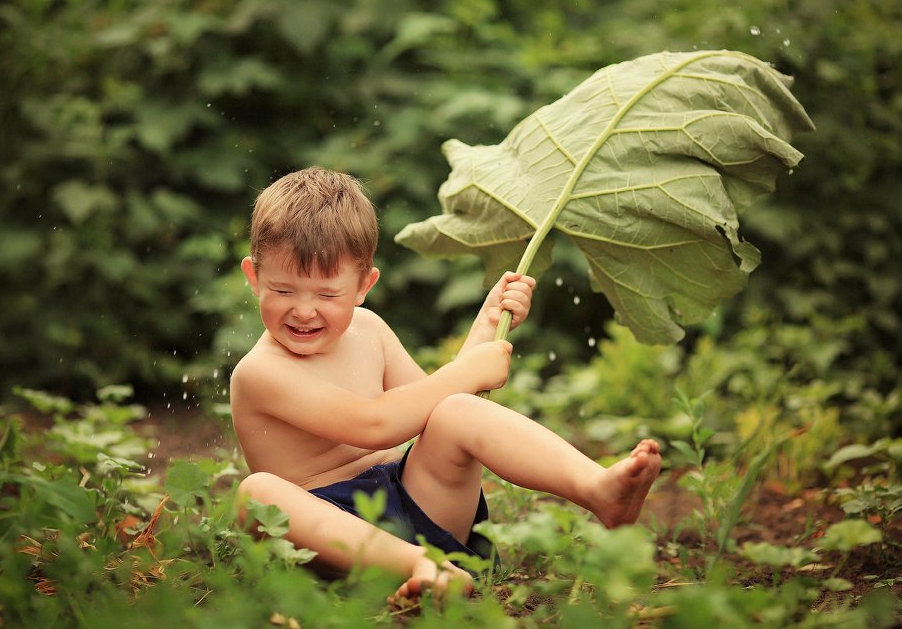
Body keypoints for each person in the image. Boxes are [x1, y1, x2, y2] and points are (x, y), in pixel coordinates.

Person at [232, 166, 662, 600]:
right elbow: (374, 424)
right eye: (284, 291)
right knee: (258, 494)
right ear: (254, 278)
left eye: (327, 295)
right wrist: (470, 368)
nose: (304, 311)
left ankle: (598, 489)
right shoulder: (260, 373)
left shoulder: (370, 330)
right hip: (330, 541)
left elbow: (435, 406)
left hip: (416, 503)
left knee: (457, 412)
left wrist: (488, 323)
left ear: (364, 285)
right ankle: (421, 568)